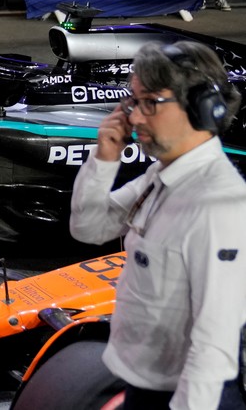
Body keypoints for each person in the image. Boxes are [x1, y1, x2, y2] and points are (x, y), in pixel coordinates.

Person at [70, 40, 246, 409]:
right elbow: (90, 229)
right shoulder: (160, 178)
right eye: (133, 102)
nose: (133, 117)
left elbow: (214, 341)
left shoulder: (219, 206)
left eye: (150, 102)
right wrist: (104, 159)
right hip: (145, 385)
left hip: (190, 395)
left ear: (201, 108)